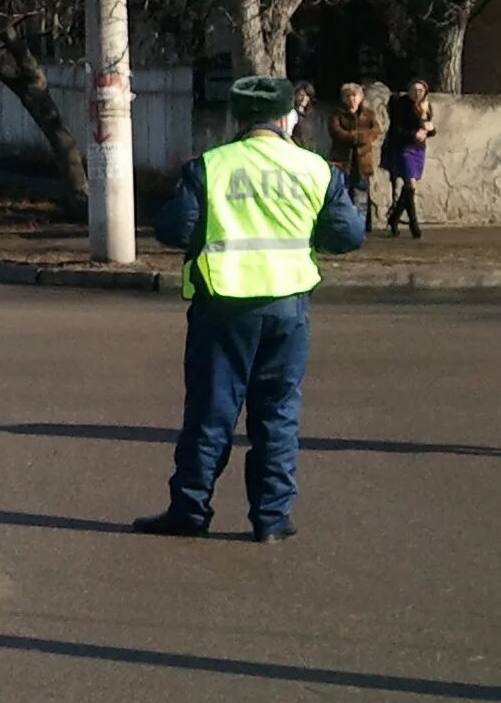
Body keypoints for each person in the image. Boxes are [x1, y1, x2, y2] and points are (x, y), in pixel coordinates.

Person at [136, 76, 366, 542]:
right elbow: (348, 235)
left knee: (210, 412)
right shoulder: (316, 168)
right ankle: (271, 519)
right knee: (278, 414)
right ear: (287, 118)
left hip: (223, 306)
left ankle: (190, 510)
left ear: (237, 119)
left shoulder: (210, 166)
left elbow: (174, 229)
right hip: (288, 306)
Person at [382, 77, 434, 237]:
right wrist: (414, 134)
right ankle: (414, 224)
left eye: (421, 90)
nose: (417, 93)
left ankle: (394, 217)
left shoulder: (426, 106)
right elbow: (396, 129)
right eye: (414, 90)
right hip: (403, 148)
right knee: (409, 184)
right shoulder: (401, 105)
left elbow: (428, 128)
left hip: (418, 149)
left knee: (410, 188)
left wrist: (428, 130)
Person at [327, 82, 383, 219]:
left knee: (361, 194)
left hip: (362, 160)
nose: (352, 99)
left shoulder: (368, 114)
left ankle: (361, 223)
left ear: (360, 97)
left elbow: (376, 131)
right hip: (343, 160)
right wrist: (354, 137)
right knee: (343, 193)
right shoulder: (337, 114)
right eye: (348, 96)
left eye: (354, 96)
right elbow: (336, 131)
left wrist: (362, 138)